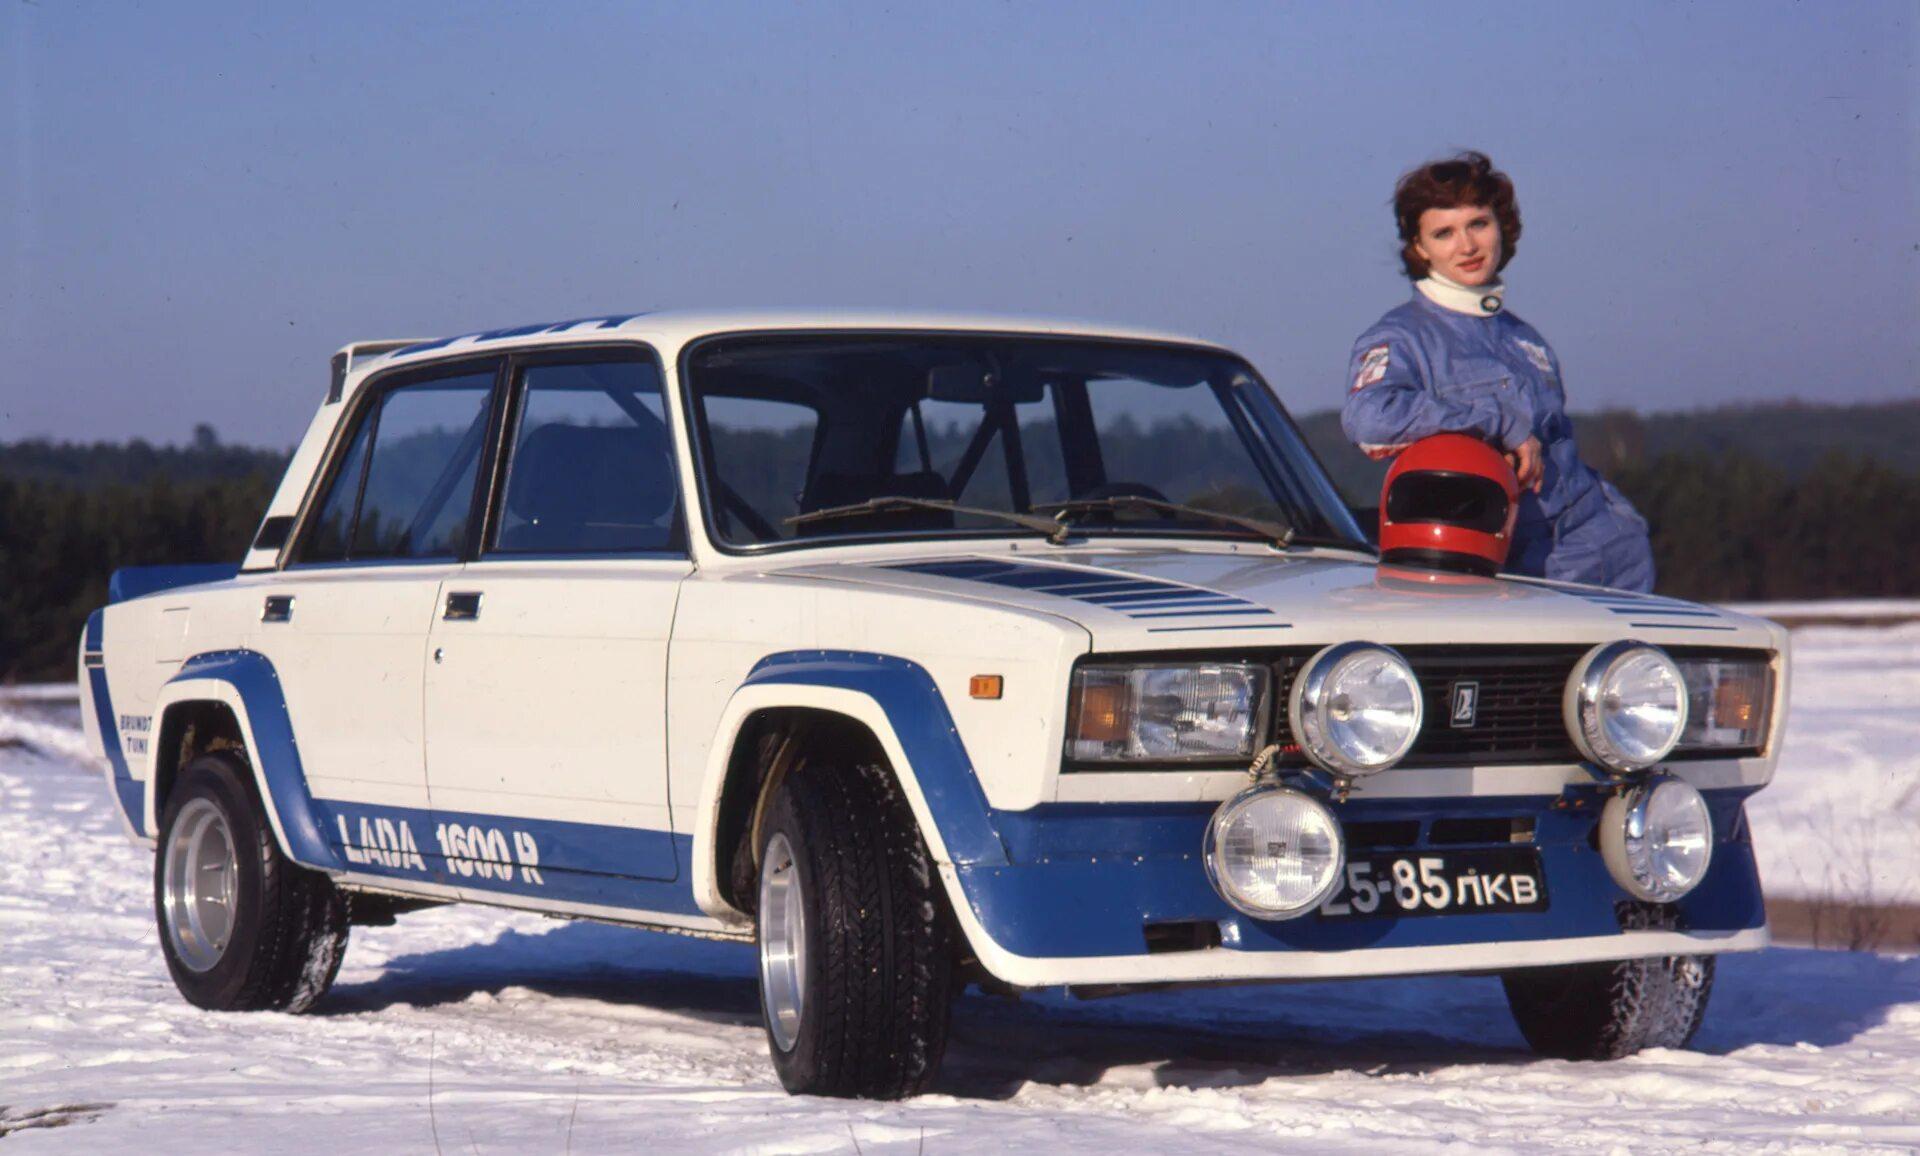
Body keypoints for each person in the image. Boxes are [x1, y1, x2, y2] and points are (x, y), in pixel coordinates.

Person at [1341, 151, 1656, 592]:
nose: (1467, 246)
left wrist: (1621, 522)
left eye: (1478, 224)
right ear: (1419, 247)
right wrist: (1496, 422)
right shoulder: (1401, 337)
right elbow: (1369, 419)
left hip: (1610, 548)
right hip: (1517, 568)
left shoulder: (1524, 338)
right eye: (1444, 232)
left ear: (1501, 226)